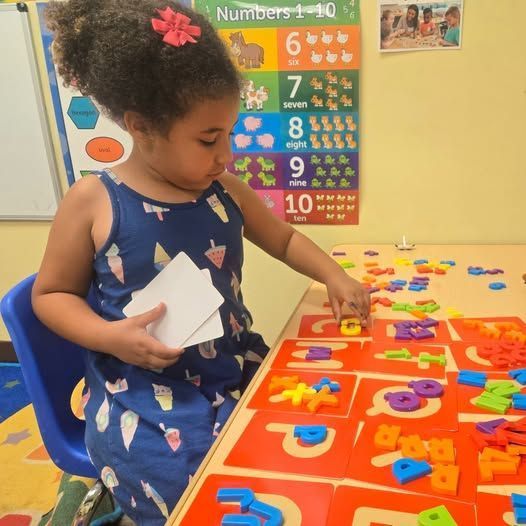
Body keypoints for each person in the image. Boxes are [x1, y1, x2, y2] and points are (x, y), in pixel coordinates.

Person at [34, 1, 371, 524]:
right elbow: (51, 296)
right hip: (143, 395)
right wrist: (111, 337)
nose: (227, 154)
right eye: (209, 140)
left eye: (231, 134)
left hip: (232, 365)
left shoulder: (224, 191)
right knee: (201, 486)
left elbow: (281, 239)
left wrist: (334, 274)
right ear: (141, 126)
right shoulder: (94, 200)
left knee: (308, 430)